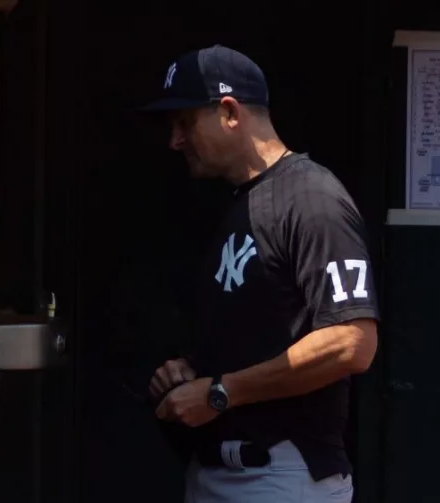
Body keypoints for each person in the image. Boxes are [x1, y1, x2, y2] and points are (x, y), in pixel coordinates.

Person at [143, 45, 379, 503]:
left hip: (281, 474)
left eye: (185, 122)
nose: (174, 140)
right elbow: (257, 335)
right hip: (218, 471)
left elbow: (352, 342)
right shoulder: (241, 203)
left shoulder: (311, 198)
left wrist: (219, 392)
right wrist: (192, 372)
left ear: (229, 112)